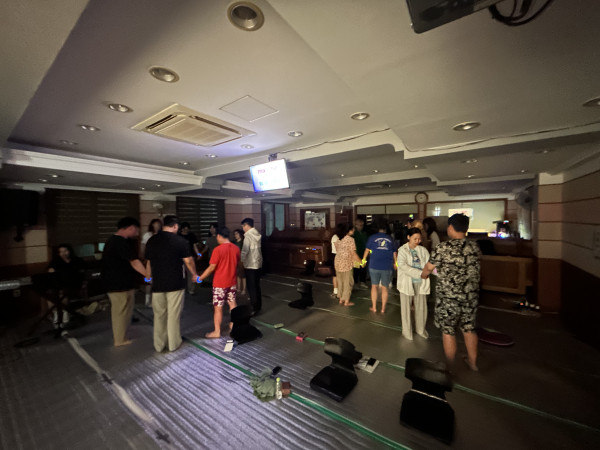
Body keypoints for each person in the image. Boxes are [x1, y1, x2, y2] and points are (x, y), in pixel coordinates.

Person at [421, 214, 481, 371]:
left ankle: (450, 366)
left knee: (448, 330)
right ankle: (473, 363)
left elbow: (428, 268)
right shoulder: (474, 247)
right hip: (470, 296)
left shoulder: (443, 248)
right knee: (469, 328)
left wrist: (424, 276)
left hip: (449, 298)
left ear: (450, 227)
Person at [145, 215, 199, 352]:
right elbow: (188, 261)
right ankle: (173, 343)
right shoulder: (180, 241)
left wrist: (148, 277)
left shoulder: (152, 240)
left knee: (159, 315)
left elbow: (149, 262)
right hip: (175, 283)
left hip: (157, 284)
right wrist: (195, 274)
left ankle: (159, 345)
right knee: (173, 315)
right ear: (175, 226)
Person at [101, 217, 147, 347]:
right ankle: (120, 340)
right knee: (120, 312)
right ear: (131, 228)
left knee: (125, 311)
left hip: (122, 283)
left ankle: (122, 336)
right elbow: (134, 262)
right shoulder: (119, 242)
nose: (137, 234)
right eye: (136, 230)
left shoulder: (114, 241)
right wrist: (148, 275)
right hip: (118, 284)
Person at [198, 227, 240, 338]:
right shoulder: (236, 248)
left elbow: (211, 268)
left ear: (219, 236)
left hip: (220, 283)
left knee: (218, 308)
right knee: (232, 304)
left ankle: (217, 332)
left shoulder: (217, 250)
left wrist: (200, 278)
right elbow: (239, 264)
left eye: (217, 236)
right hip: (232, 281)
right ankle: (233, 325)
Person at [397, 228, 430, 340]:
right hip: (407, 282)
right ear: (408, 237)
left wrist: (436, 272)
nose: (417, 241)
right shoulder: (402, 250)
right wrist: (420, 273)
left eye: (419, 239)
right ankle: (407, 332)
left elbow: (429, 265)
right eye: (415, 239)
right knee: (405, 308)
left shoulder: (423, 250)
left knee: (421, 307)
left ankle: (420, 329)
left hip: (421, 282)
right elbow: (403, 266)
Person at [362, 221, 397, 314]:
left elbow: (367, 250)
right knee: (385, 288)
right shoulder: (390, 238)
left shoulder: (372, 237)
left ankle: (374, 307)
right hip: (387, 266)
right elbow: (394, 253)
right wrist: (395, 264)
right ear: (386, 228)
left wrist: (363, 261)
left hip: (374, 265)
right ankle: (383, 309)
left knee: (374, 286)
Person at [48, 244, 85, 325]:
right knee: (52, 293)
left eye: (65, 251)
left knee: (64, 292)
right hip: (59, 283)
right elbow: (50, 271)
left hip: (73, 283)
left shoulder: (77, 260)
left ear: (69, 251)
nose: (63, 253)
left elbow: (82, 271)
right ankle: (57, 312)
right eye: (61, 252)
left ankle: (65, 311)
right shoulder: (55, 261)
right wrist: (51, 270)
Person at [334, 223, 362, 307]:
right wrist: (361, 262)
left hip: (338, 262)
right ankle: (346, 301)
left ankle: (341, 299)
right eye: (352, 229)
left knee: (340, 281)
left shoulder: (338, 239)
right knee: (348, 282)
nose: (354, 230)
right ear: (348, 231)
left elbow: (337, 250)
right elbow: (353, 253)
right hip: (346, 263)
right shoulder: (350, 239)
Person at [240, 218, 263, 314]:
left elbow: (245, 251)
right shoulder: (257, 234)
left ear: (247, 225)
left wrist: (241, 261)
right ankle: (258, 306)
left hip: (250, 264)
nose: (243, 228)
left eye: (243, 226)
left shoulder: (248, 236)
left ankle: (253, 307)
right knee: (256, 286)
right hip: (258, 263)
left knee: (251, 287)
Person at [179, 222, 202, 294]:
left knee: (191, 273)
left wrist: (198, 253)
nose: (186, 231)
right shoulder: (178, 235)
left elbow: (194, 246)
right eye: (184, 229)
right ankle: (181, 288)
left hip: (190, 256)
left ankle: (191, 289)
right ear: (182, 229)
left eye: (187, 229)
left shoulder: (191, 236)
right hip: (179, 257)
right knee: (180, 273)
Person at [352, 218, 369, 289]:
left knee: (363, 268)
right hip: (356, 254)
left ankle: (362, 282)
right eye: (360, 225)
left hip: (363, 254)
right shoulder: (354, 234)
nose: (361, 227)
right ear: (356, 225)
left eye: (362, 225)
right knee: (356, 269)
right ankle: (355, 282)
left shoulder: (364, 233)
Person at [233, 228, 246, 295]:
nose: (235, 235)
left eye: (236, 234)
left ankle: (244, 289)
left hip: (242, 260)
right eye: (235, 234)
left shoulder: (243, 242)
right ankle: (238, 287)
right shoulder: (235, 242)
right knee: (237, 274)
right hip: (236, 260)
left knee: (243, 275)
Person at [330, 230, 340, 298]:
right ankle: (336, 291)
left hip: (339, 255)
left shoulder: (340, 236)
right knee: (335, 275)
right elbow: (337, 249)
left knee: (339, 274)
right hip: (336, 255)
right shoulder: (335, 237)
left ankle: (339, 291)